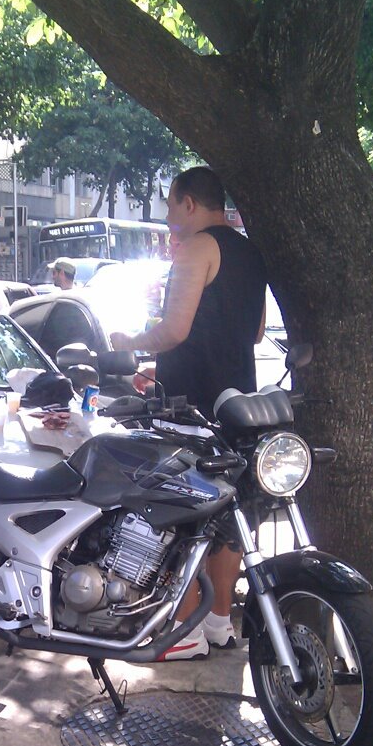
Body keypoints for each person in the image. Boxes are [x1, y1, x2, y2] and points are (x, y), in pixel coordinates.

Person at [110, 166, 267, 660]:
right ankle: (218, 623)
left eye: (170, 205)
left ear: (190, 204)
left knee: (186, 513)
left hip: (190, 406)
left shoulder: (196, 248)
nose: (167, 216)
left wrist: (129, 342)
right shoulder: (250, 252)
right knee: (229, 513)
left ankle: (183, 632)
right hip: (237, 399)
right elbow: (255, 332)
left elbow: (175, 329)